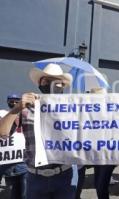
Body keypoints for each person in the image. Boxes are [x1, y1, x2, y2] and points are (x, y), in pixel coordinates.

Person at [0, 63, 77, 199]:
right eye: (46, 80)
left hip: (65, 176)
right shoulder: (26, 108)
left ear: (63, 87)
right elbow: (2, 133)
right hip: (35, 178)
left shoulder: (72, 109)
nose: (51, 84)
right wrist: (16, 108)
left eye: (56, 81)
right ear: (40, 84)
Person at [0, 94, 28, 199]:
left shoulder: (27, 116)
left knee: (25, 194)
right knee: (14, 193)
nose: (14, 104)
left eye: (17, 101)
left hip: (24, 163)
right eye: (11, 101)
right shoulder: (2, 114)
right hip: (6, 165)